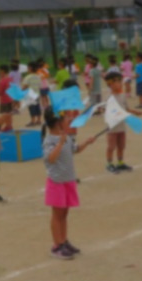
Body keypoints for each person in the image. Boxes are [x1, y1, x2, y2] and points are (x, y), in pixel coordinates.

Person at [43, 108, 100, 259]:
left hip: (68, 181)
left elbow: (75, 149)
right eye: (65, 118)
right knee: (57, 214)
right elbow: (51, 158)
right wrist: (60, 144)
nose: (68, 120)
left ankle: (64, 241)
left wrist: (87, 143)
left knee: (64, 213)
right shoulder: (49, 140)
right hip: (57, 182)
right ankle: (57, 246)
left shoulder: (66, 137)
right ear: (57, 123)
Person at [104, 70, 133, 172]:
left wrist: (137, 112)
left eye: (121, 81)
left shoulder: (122, 95)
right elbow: (108, 112)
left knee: (121, 145)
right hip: (113, 126)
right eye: (117, 81)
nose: (120, 84)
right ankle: (109, 163)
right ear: (110, 84)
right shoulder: (109, 97)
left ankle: (120, 163)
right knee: (111, 146)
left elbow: (127, 108)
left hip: (121, 124)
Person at [0, 63, 16, 131]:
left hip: (4, 100)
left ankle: (1, 126)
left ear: (2, 71)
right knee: (9, 114)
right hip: (10, 99)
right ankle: (9, 125)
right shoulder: (10, 79)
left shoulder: (2, 81)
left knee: (5, 114)